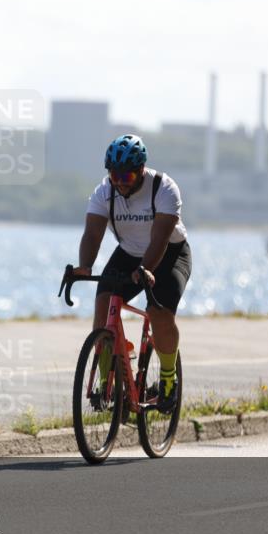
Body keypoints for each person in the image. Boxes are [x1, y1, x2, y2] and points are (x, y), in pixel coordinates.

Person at [74, 134, 191, 410]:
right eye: (114, 175)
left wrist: (146, 270)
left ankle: (167, 379)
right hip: (128, 253)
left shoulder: (163, 188)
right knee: (103, 304)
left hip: (169, 254)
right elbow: (92, 234)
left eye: (126, 175)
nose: (119, 181)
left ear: (141, 170)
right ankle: (107, 385)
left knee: (159, 311)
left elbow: (160, 238)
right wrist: (84, 266)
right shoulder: (104, 192)